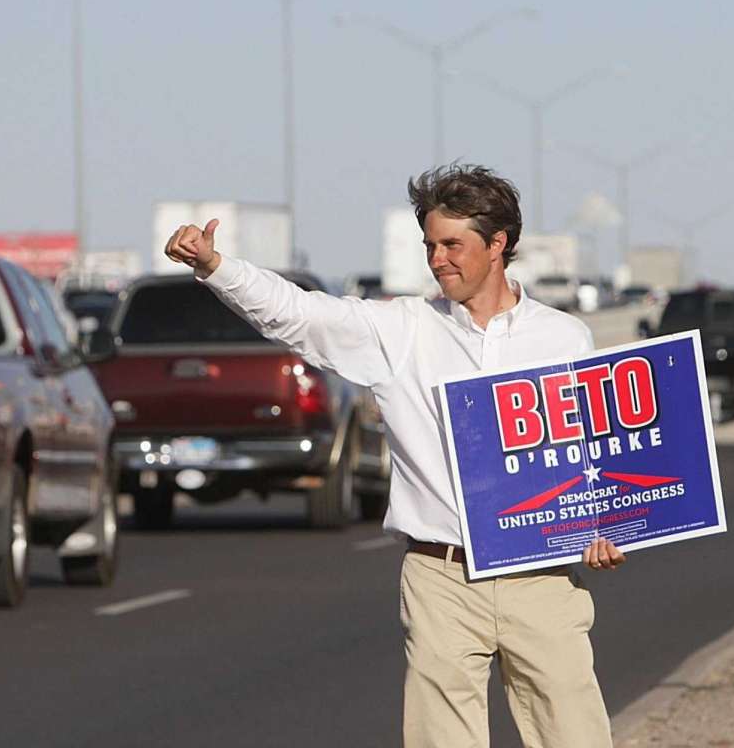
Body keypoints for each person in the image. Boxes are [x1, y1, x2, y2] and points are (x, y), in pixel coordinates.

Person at [165, 164, 626, 748]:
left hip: (543, 578)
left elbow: (590, 462)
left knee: (575, 737)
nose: (437, 259)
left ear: (498, 244)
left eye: (452, 245)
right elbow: (299, 314)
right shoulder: (400, 329)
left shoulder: (564, 339)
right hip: (442, 577)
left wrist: (605, 530)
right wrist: (215, 267)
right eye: (430, 245)